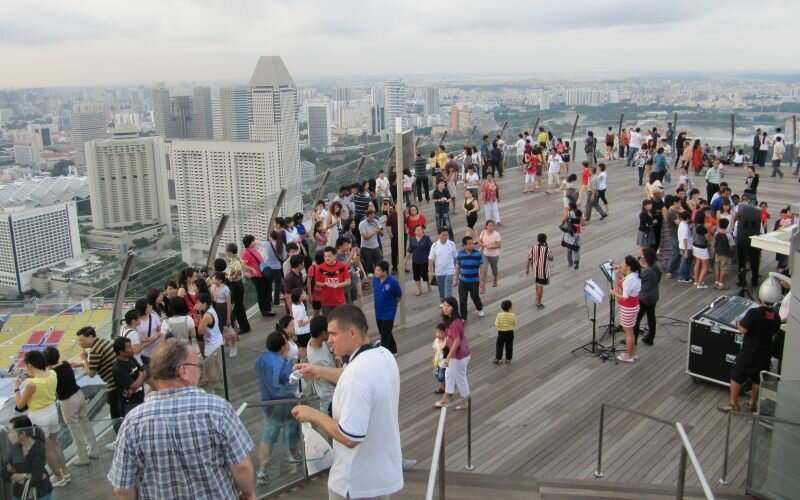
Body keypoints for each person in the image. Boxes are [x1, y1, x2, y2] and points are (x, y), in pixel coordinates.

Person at [108, 339, 255, 499]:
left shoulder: (132, 422)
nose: (200, 371)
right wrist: (248, 493)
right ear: (183, 371)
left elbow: (122, 489)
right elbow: (241, 467)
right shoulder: (218, 409)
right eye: (198, 366)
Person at [291, 305, 404, 499]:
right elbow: (353, 376)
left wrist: (314, 415)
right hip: (379, 478)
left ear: (352, 333)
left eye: (334, 333)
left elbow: (350, 436)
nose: (329, 339)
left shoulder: (356, 376)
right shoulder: (383, 355)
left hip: (354, 483)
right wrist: (319, 371)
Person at [13, 350, 68, 486]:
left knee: (47, 449)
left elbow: (20, 405)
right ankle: (66, 473)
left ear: (30, 365)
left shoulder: (31, 383)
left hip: (38, 416)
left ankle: (59, 478)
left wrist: (16, 389)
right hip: (52, 411)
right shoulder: (52, 374)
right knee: (55, 444)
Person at [254, 331, 302, 484]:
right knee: (291, 430)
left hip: (267, 406)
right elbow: (290, 386)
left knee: (268, 437)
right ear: (282, 347)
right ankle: (293, 456)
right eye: (286, 342)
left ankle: (262, 470)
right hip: (284, 406)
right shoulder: (283, 364)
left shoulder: (260, 359)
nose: (288, 343)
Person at [718, 295, 781, 412]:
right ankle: (751, 403)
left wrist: (738, 323)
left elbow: (742, 330)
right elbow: (775, 333)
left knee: (736, 375)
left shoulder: (753, 312)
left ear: (761, 299)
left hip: (750, 351)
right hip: (766, 352)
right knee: (757, 378)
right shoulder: (776, 316)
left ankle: (733, 404)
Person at [43, 346, 98, 466]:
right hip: (79, 394)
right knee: (85, 422)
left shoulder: (51, 373)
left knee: (75, 429)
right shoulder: (65, 364)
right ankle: (93, 450)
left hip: (68, 400)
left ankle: (82, 457)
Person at [75, 326, 121, 435]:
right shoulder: (102, 342)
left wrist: (84, 359)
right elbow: (98, 363)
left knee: (115, 414)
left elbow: (91, 373)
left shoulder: (95, 350)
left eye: (81, 340)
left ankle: (119, 436)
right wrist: (80, 364)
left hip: (114, 384)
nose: (80, 343)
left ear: (90, 337)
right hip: (118, 380)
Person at [5, 415, 55, 499]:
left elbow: (36, 479)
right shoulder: (14, 448)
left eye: (12, 432)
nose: (8, 435)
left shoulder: (38, 448)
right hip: (19, 494)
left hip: (40, 494)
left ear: (23, 433)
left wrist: (15, 476)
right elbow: (5, 473)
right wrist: (27, 475)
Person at [434, 297, 471, 410]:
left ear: (453, 308)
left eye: (448, 306)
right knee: (449, 374)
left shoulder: (455, 323)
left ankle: (465, 401)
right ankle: (447, 396)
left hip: (459, 355)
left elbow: (457, 341)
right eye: (444, 305)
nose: (445, 308)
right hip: (455, 354)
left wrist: (448, 357)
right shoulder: (450, 320)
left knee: (460, 377)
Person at [610, 256, 641, 363]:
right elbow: (620, 284)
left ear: (628, 266)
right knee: (630, 331)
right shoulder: (634, 275)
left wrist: (615, 294)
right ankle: (632, 353)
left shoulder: (629, 280)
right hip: (634, 306)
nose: (621, 264)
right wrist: (617, 272)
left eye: (623, 263)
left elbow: (625, 296)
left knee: (628, 332)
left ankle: (629, 355)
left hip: (628, 308)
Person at [307, 316, 337, 414]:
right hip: (330, 399)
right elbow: (333, 379)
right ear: (323, 333)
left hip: (324, 392)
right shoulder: (319, 361)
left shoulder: (311, 342)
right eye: (328, 330)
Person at [195, 293, 224, 395]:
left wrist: (199, 317)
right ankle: (220, 385)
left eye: (198, 303)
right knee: (218, 365)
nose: (197, 306)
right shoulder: (211, 310)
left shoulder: (207, 315)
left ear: (205, 303)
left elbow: (200, 331)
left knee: (211, 369)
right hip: (217, 341)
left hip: (212, 345)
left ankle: (213, 390)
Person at [373, 260, 403, 355]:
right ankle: (393, 349)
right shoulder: (375, 280)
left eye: (378, 270)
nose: (376, 272)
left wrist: (393, 305)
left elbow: (398, 296)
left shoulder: (393, 282)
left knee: (385, 335)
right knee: (384, 332)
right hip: (378, 312)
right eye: (375, 270)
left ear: (385, 272)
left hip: (389, 313)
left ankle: (384, 354)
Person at [112, 337, 146, 419]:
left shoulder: (131, 358)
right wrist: (140, 376)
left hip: (140, 397)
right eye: (129, 347)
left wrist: (140, 377)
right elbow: (134, 385)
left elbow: (143, 372)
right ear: (121, 351)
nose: (132, 349)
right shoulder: (118, 368)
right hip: (130, 403)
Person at [633, 248, 661, 346]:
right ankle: (650, 338)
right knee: (651, 317)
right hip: (654, 295)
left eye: (642, 256)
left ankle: (633, 339)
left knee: (636, 318)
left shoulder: (647, 271)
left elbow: (637, 279)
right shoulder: (657, 265)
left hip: (644, 298)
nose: (640, 257)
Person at [241, 235, 273, 317]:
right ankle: (264, 310)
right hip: (255, 276)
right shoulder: (246, 253)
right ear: (250, 242)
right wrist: (252, 269)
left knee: (266, 291)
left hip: (262, 273)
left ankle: (268, 308)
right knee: (261, 292)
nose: (255, 241)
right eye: (253, 240)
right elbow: (243, 264)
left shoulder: (253, 249)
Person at [454, 236, 485, 322]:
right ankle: (463, 317)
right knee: (462, 300)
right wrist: (456, 279)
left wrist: (482, 280)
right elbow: (457, 267)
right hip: (463, 281)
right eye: (469, 244)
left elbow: (481, 267)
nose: (472, 245)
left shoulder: (477, 254)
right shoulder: (460, 254)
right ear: (464, 245)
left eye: (472, 243)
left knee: (475, 296)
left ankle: (480, 308)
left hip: (474, 281)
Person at [428, 227, 458, 306]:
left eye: (446, 235)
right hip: (439, 272)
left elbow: (455, 257)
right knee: (441, 289)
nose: (445, 237)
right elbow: (431, 259)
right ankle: (442, 301)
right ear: (439, 235)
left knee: (448, 289)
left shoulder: (452, 244)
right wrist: (430, 271)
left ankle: (448, 304)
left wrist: (455, 267)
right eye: (443, 235)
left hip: (450, 271)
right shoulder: (434, 246)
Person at [526, 233, 553, 310]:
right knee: (540, 285)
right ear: (545, 240)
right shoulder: (546, 249)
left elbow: (529, 259)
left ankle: (537, 298)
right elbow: (551, 258)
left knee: (537, 284)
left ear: (537, 240)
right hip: (543, 272)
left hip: (535, 270)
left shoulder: (533, 248)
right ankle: (539, 302)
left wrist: (527, 269)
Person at [478, 220, 501, 290]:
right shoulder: (483, 232)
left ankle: (495, 278)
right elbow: (479, 241)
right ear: (486, 226)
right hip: (485, 254)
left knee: (494, 270)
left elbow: (499, 245)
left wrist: (492, 247)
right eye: (490, 226)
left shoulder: (496, 234)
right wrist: (483, 245)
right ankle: (483, 286)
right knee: (483, 270)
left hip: (494, 255)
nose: (491, 227)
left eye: (492, 226)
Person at [562, 201, 585, 270]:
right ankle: (576, 260)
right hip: (577, 231)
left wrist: (567, 216)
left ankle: (570, 262)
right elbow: (583, 223)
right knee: (576, 246)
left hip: (570, 230)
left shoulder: (568, 213)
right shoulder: (579, 212)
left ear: (570, 207)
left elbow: (563, 220)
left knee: (569, 247)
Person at [714, 218, 735, 290]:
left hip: (717, 253)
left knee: (717, 267)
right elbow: (732, 247)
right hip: (725, 254)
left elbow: (714, 242)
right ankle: (721, 284)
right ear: (727, 225)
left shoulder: (716, 233)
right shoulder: (728, 235)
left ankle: (716, 282)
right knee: (724, 268)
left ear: (719, 225)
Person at [494, 300, 517, 364]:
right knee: (509, 345)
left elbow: (496, 324)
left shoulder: (499, 315)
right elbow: (515, 324)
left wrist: (500, 327)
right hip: (510, 333)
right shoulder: (513, 315)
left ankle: (499, 358)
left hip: (501, 333)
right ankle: (508, 359)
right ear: (510, 307)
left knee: (499, 345)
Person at [692, 211, 711, 289]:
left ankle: (696, 280)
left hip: (695, 246)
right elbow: (707, 238)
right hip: (702, 248)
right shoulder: (702, 227)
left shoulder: (694, 225)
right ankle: (700, 284)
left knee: (697, 263)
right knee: (705, 266)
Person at [432, 324, 448, 394]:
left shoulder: (446, 341)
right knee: (436, 374)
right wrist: (433, 358)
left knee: (441, 376)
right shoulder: (436, 340)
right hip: (437, 361)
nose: (438, 334)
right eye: (437, 332)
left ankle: (446, 387)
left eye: (441, 333)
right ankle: (443, 387)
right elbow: (435, 350)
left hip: (443, 362)